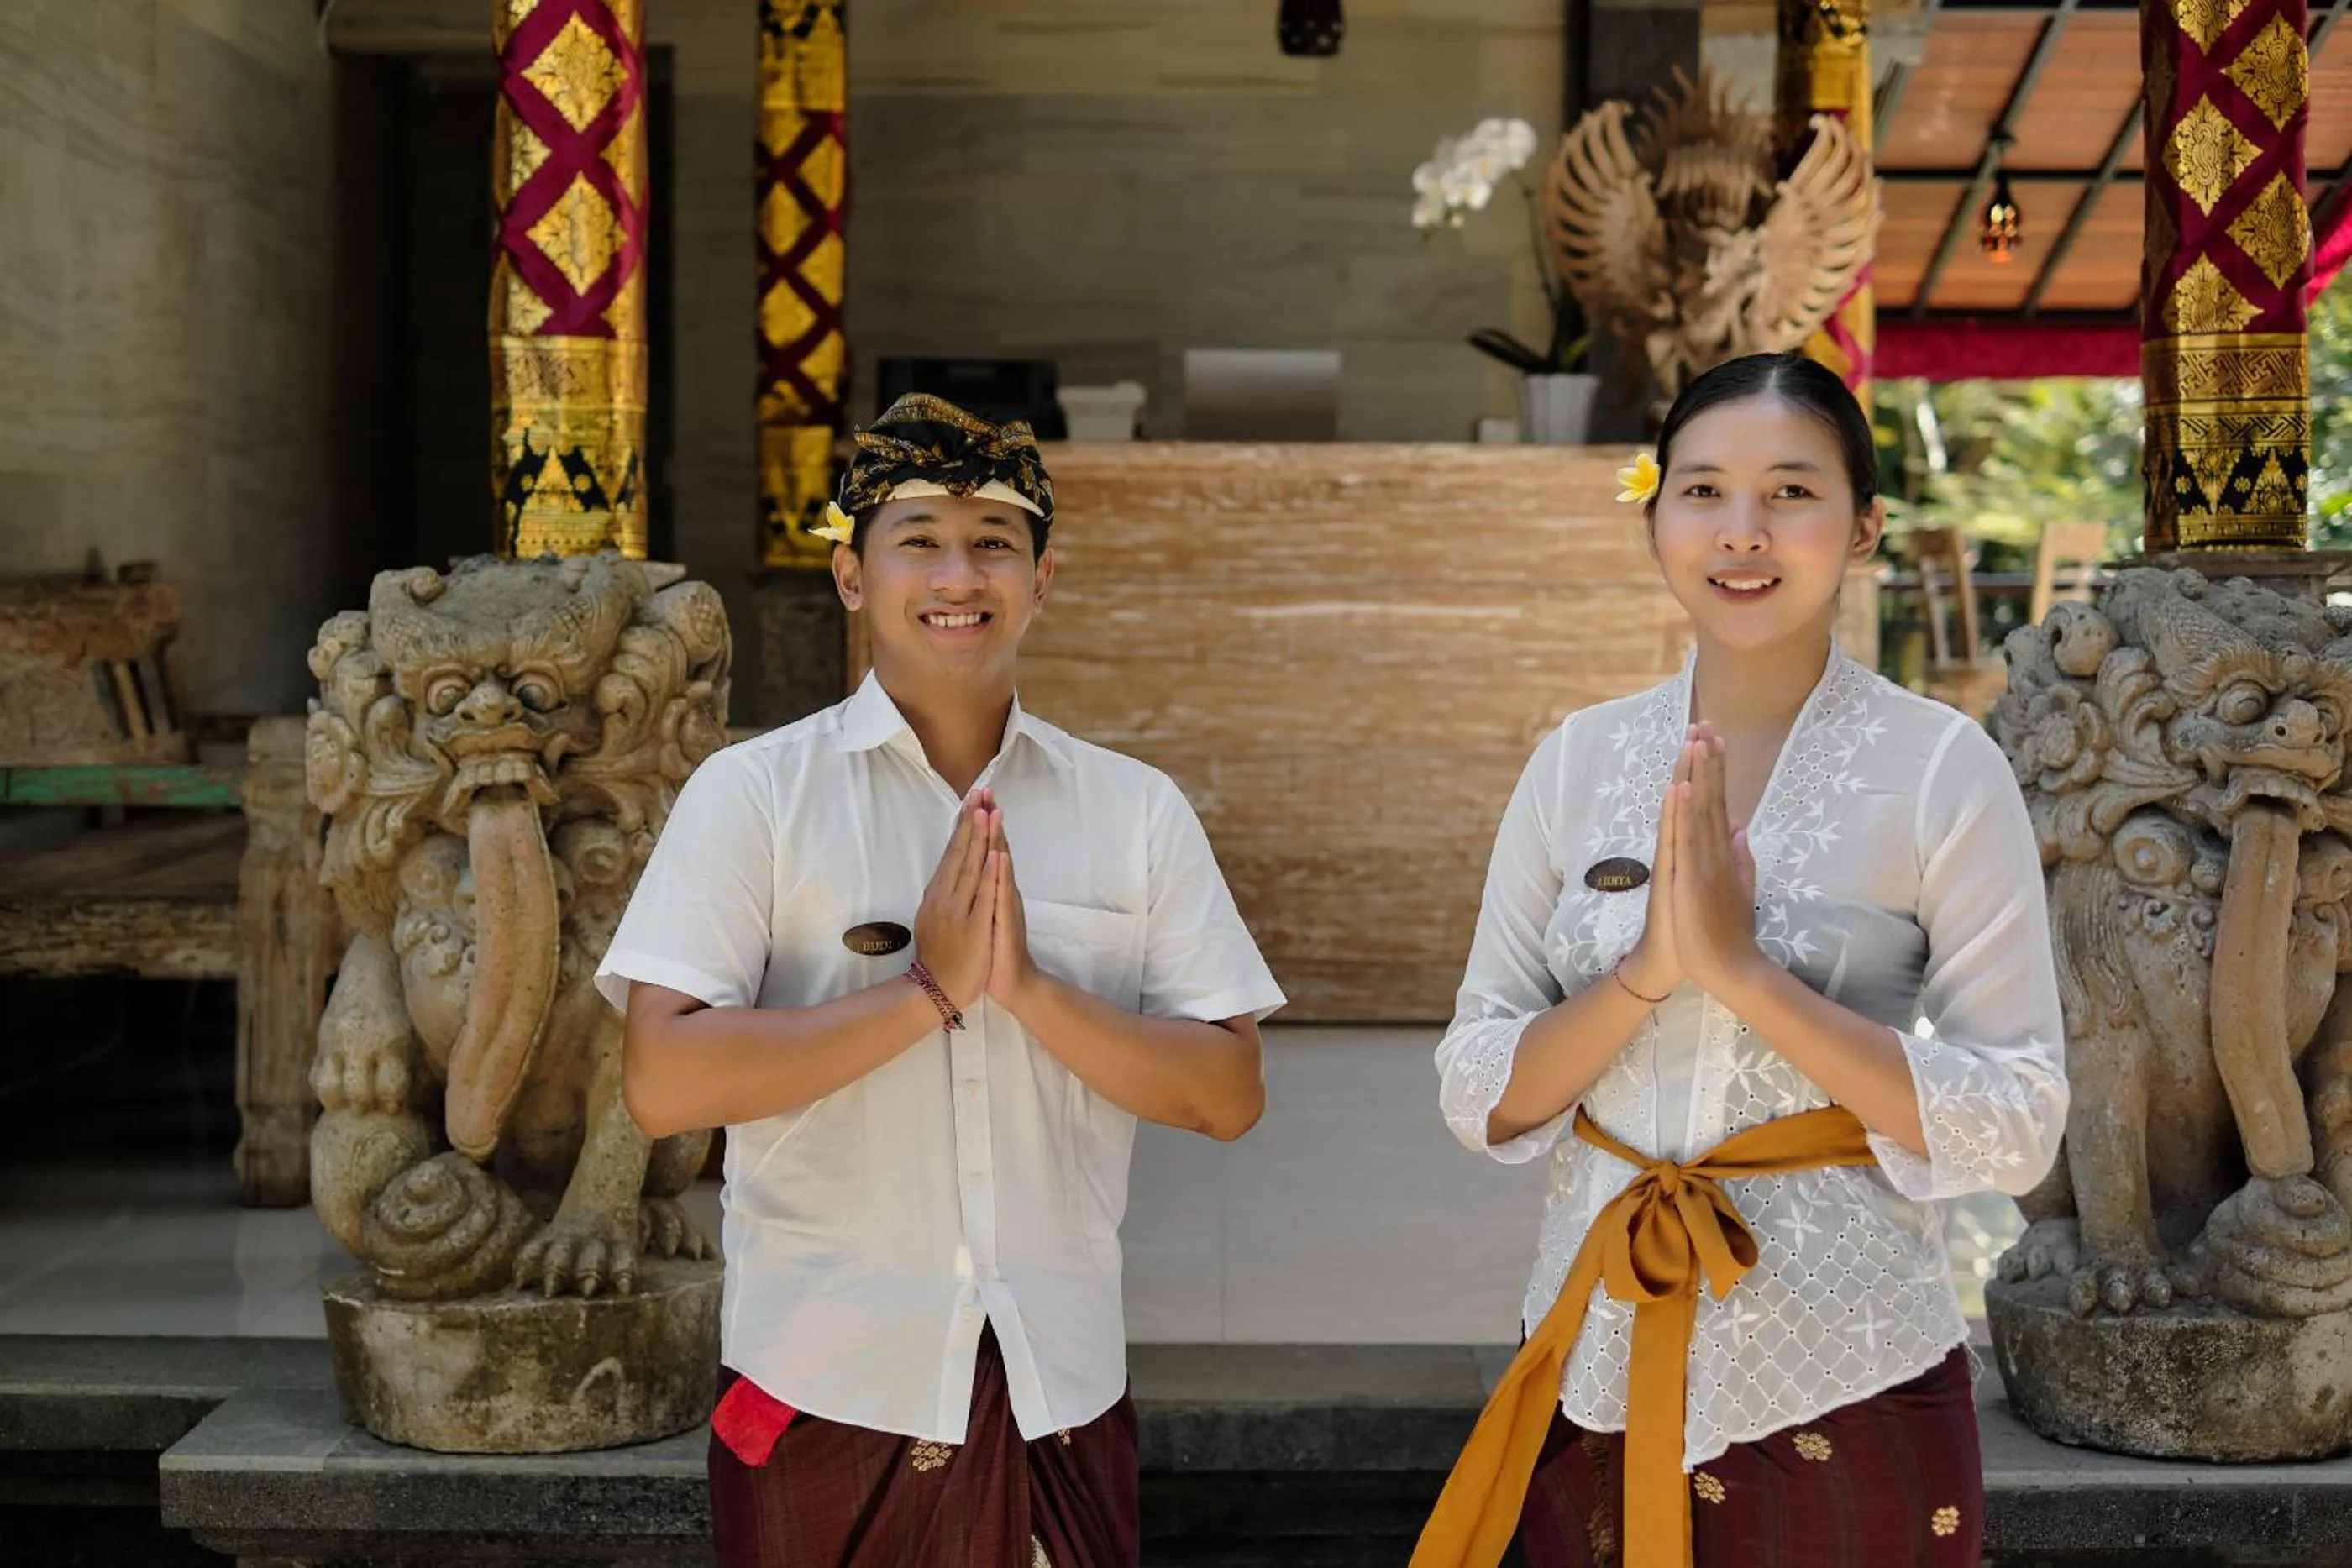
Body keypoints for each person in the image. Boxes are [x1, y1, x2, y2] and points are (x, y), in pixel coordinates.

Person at [596, 393, 1285, 1567]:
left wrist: (1026, 988)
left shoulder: (1131, 809)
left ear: (1042, 576)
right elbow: (664, 1078)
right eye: (917, 539)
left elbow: (1227, 1091)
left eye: (994, 542)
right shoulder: (757, 794)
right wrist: (924, 994)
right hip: (827, 1386)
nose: (958, 573)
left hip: (1058, 1388)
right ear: (851, 576)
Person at [1414, 353, 2066, 1568]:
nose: (1743, 531)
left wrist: (1743, 971)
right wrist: (1649, 970)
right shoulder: (1575, 760)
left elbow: (2017, 1120)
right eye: (1704, 490)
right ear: (1655, 516)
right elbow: (1478, 1082)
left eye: (1793, 491)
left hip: (1848, 1367)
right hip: (1593, 1356)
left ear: (1866, 524)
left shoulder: (1941, 767)